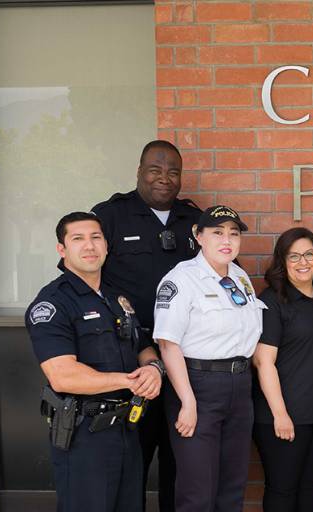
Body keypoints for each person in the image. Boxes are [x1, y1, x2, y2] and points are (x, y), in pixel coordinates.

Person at [26, 212, 164, 512]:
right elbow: (63, 375)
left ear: (106, 245)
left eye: (96, 237)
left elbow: (143, 346)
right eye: (78, 239)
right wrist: (129, 381)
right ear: (62, 249)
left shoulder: (116, 298)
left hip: (128, 428)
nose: (89, 245)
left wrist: (154, 368)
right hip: (84, 435)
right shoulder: (53, 303)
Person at [92, 139, 201, 511]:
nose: (164, 179)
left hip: (184, 362)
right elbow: (89, 282)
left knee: (181, 461)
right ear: (139, 172)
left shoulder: (194, 220)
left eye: (173, 172)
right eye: (155, 170)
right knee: (131, 460)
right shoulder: (110, 216)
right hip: (130, 362)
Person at [152, 205, 265, 512]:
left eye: (233, 233)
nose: (226, 240)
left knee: (232, 487)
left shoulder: (239, 276)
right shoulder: (181, 280)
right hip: (198, 385)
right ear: (198, 236)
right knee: (197, 492)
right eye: (217, 233)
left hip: (239, 385)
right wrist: (188, 402)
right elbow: (168, 345)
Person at [252, 227, 313, 512]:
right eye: (293, 256)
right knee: (283, 489)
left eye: (309, 254)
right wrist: (280, 414)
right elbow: (263, 361)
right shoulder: (272, 301)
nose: (303, 262)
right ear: (282, 261)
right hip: (284, 415)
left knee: (310, 485)